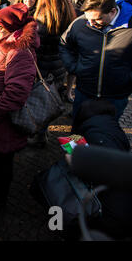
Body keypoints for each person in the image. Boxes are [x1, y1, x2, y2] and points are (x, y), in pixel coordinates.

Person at [0, 3, 39, 218]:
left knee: (4, 161)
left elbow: (15, 95)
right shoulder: (1, 45)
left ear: (13, 30)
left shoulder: (19, 53)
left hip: (4, 123)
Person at [59, 0, 132, 121]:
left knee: (105, 133)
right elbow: (64, 44)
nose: (91, 23)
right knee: (78, 133)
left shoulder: (129, 27)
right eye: (88, 18)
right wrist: (74, 67)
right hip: (84, 92)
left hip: (116, 97)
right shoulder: (80, 24)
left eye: (97, 19)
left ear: (112, 12)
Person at [71, 99, 132, 240]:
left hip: (111, 213)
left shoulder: (95, 135)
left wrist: (75, 158)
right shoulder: (112, 127)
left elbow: (85, 166)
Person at [29, 0, 77, 147]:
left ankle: (40, 135)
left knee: (40, 100)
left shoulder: (41, 18)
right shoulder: (69, 14)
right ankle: (44, 132)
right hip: (59, 66)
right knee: (51, 99)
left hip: (42, 66)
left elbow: (36, 45)